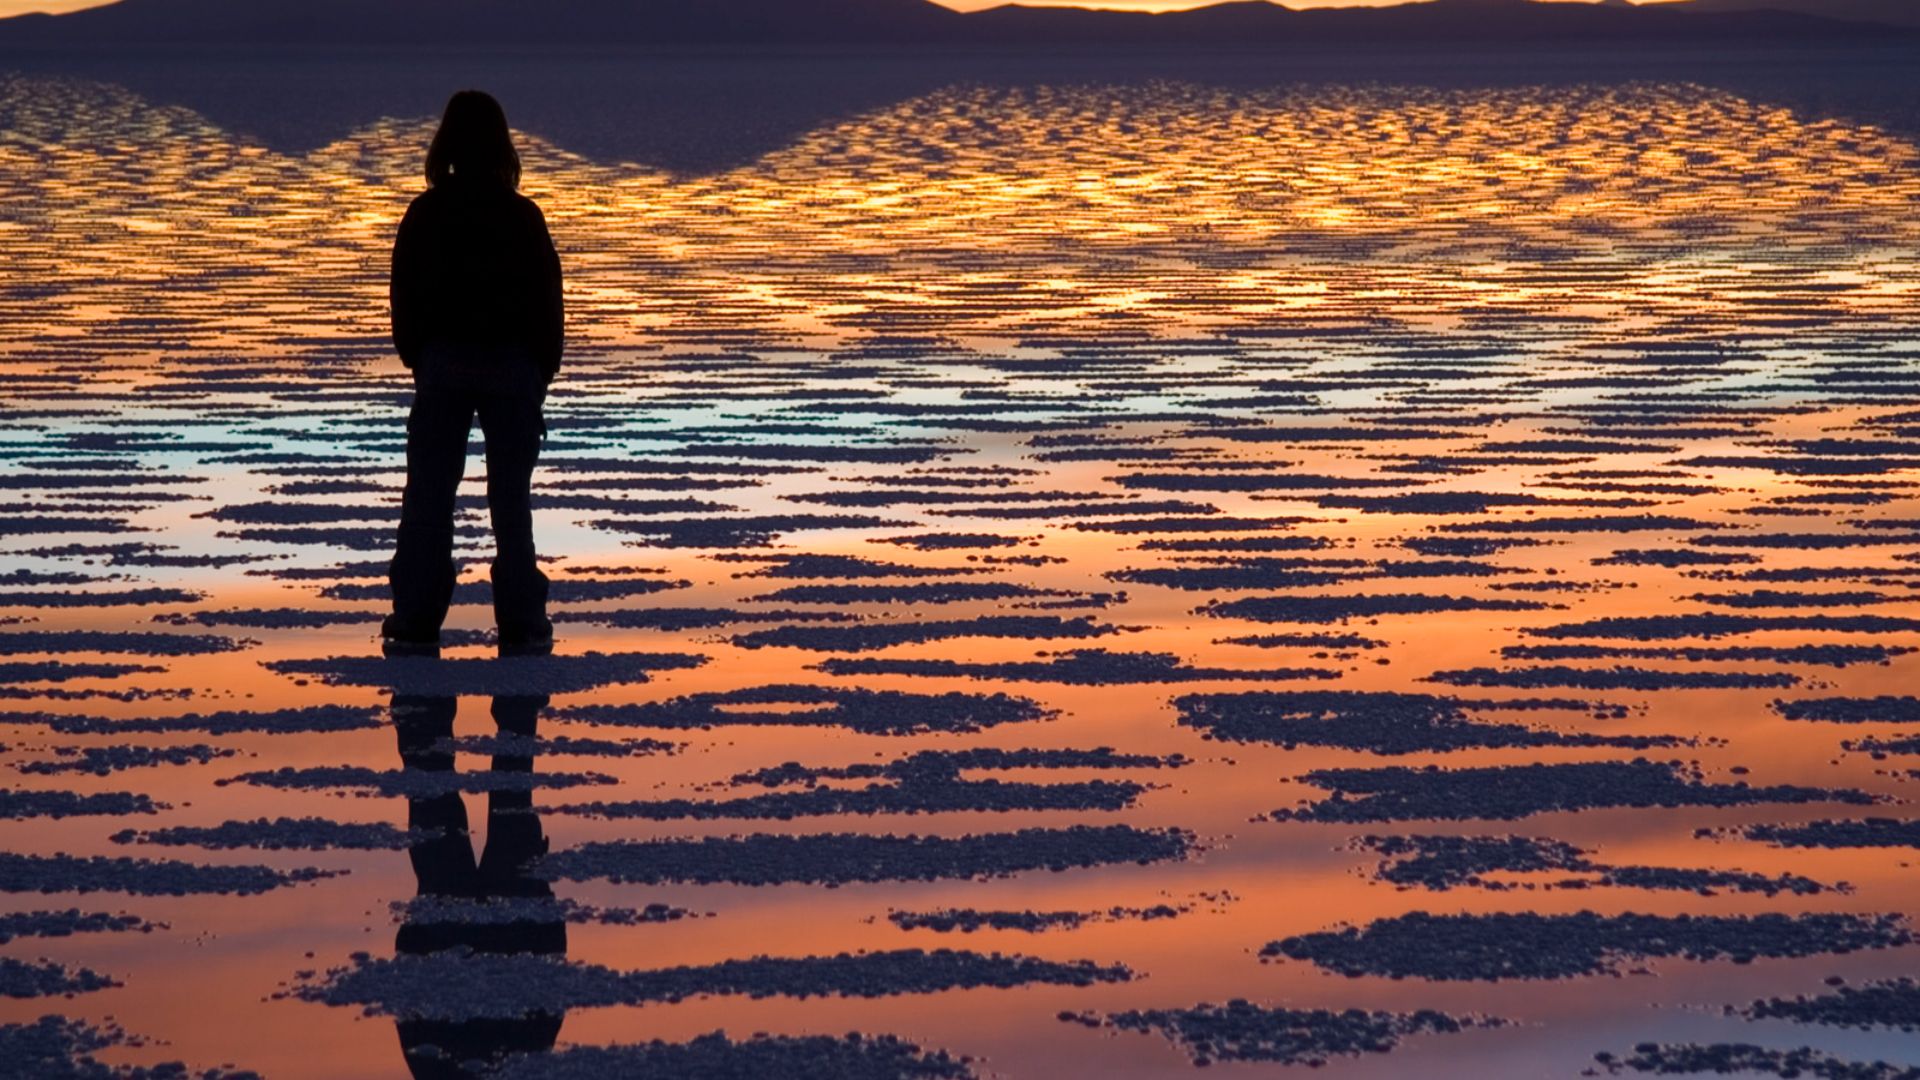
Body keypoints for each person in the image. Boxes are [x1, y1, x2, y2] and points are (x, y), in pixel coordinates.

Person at [384, 90, 563, 656]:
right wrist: (539, 373)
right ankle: (523, 621)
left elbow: (404, 298)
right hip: (511, 371)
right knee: (510, 502)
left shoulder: (427, 213)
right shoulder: (521, 215)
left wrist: (421, 357)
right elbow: (548, 304)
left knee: (430, 500)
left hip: (446, 369)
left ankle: (415, 618)